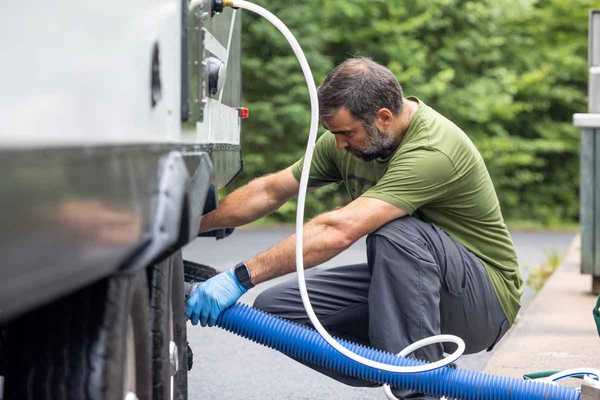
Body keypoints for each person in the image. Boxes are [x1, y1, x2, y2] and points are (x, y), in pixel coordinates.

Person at [186, 57, 523, 399]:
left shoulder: (433, 150)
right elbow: (271, 190)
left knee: (395, 232)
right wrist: (190, 225)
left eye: (347, 133)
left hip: (483, 299)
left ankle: (421, 388)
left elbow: (338, 230)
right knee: (279, 310)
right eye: (335, 134)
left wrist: (240, 277)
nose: (340, 144)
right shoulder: (345, 141)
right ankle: (409, 366)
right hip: (411, 287)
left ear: (383, 118)